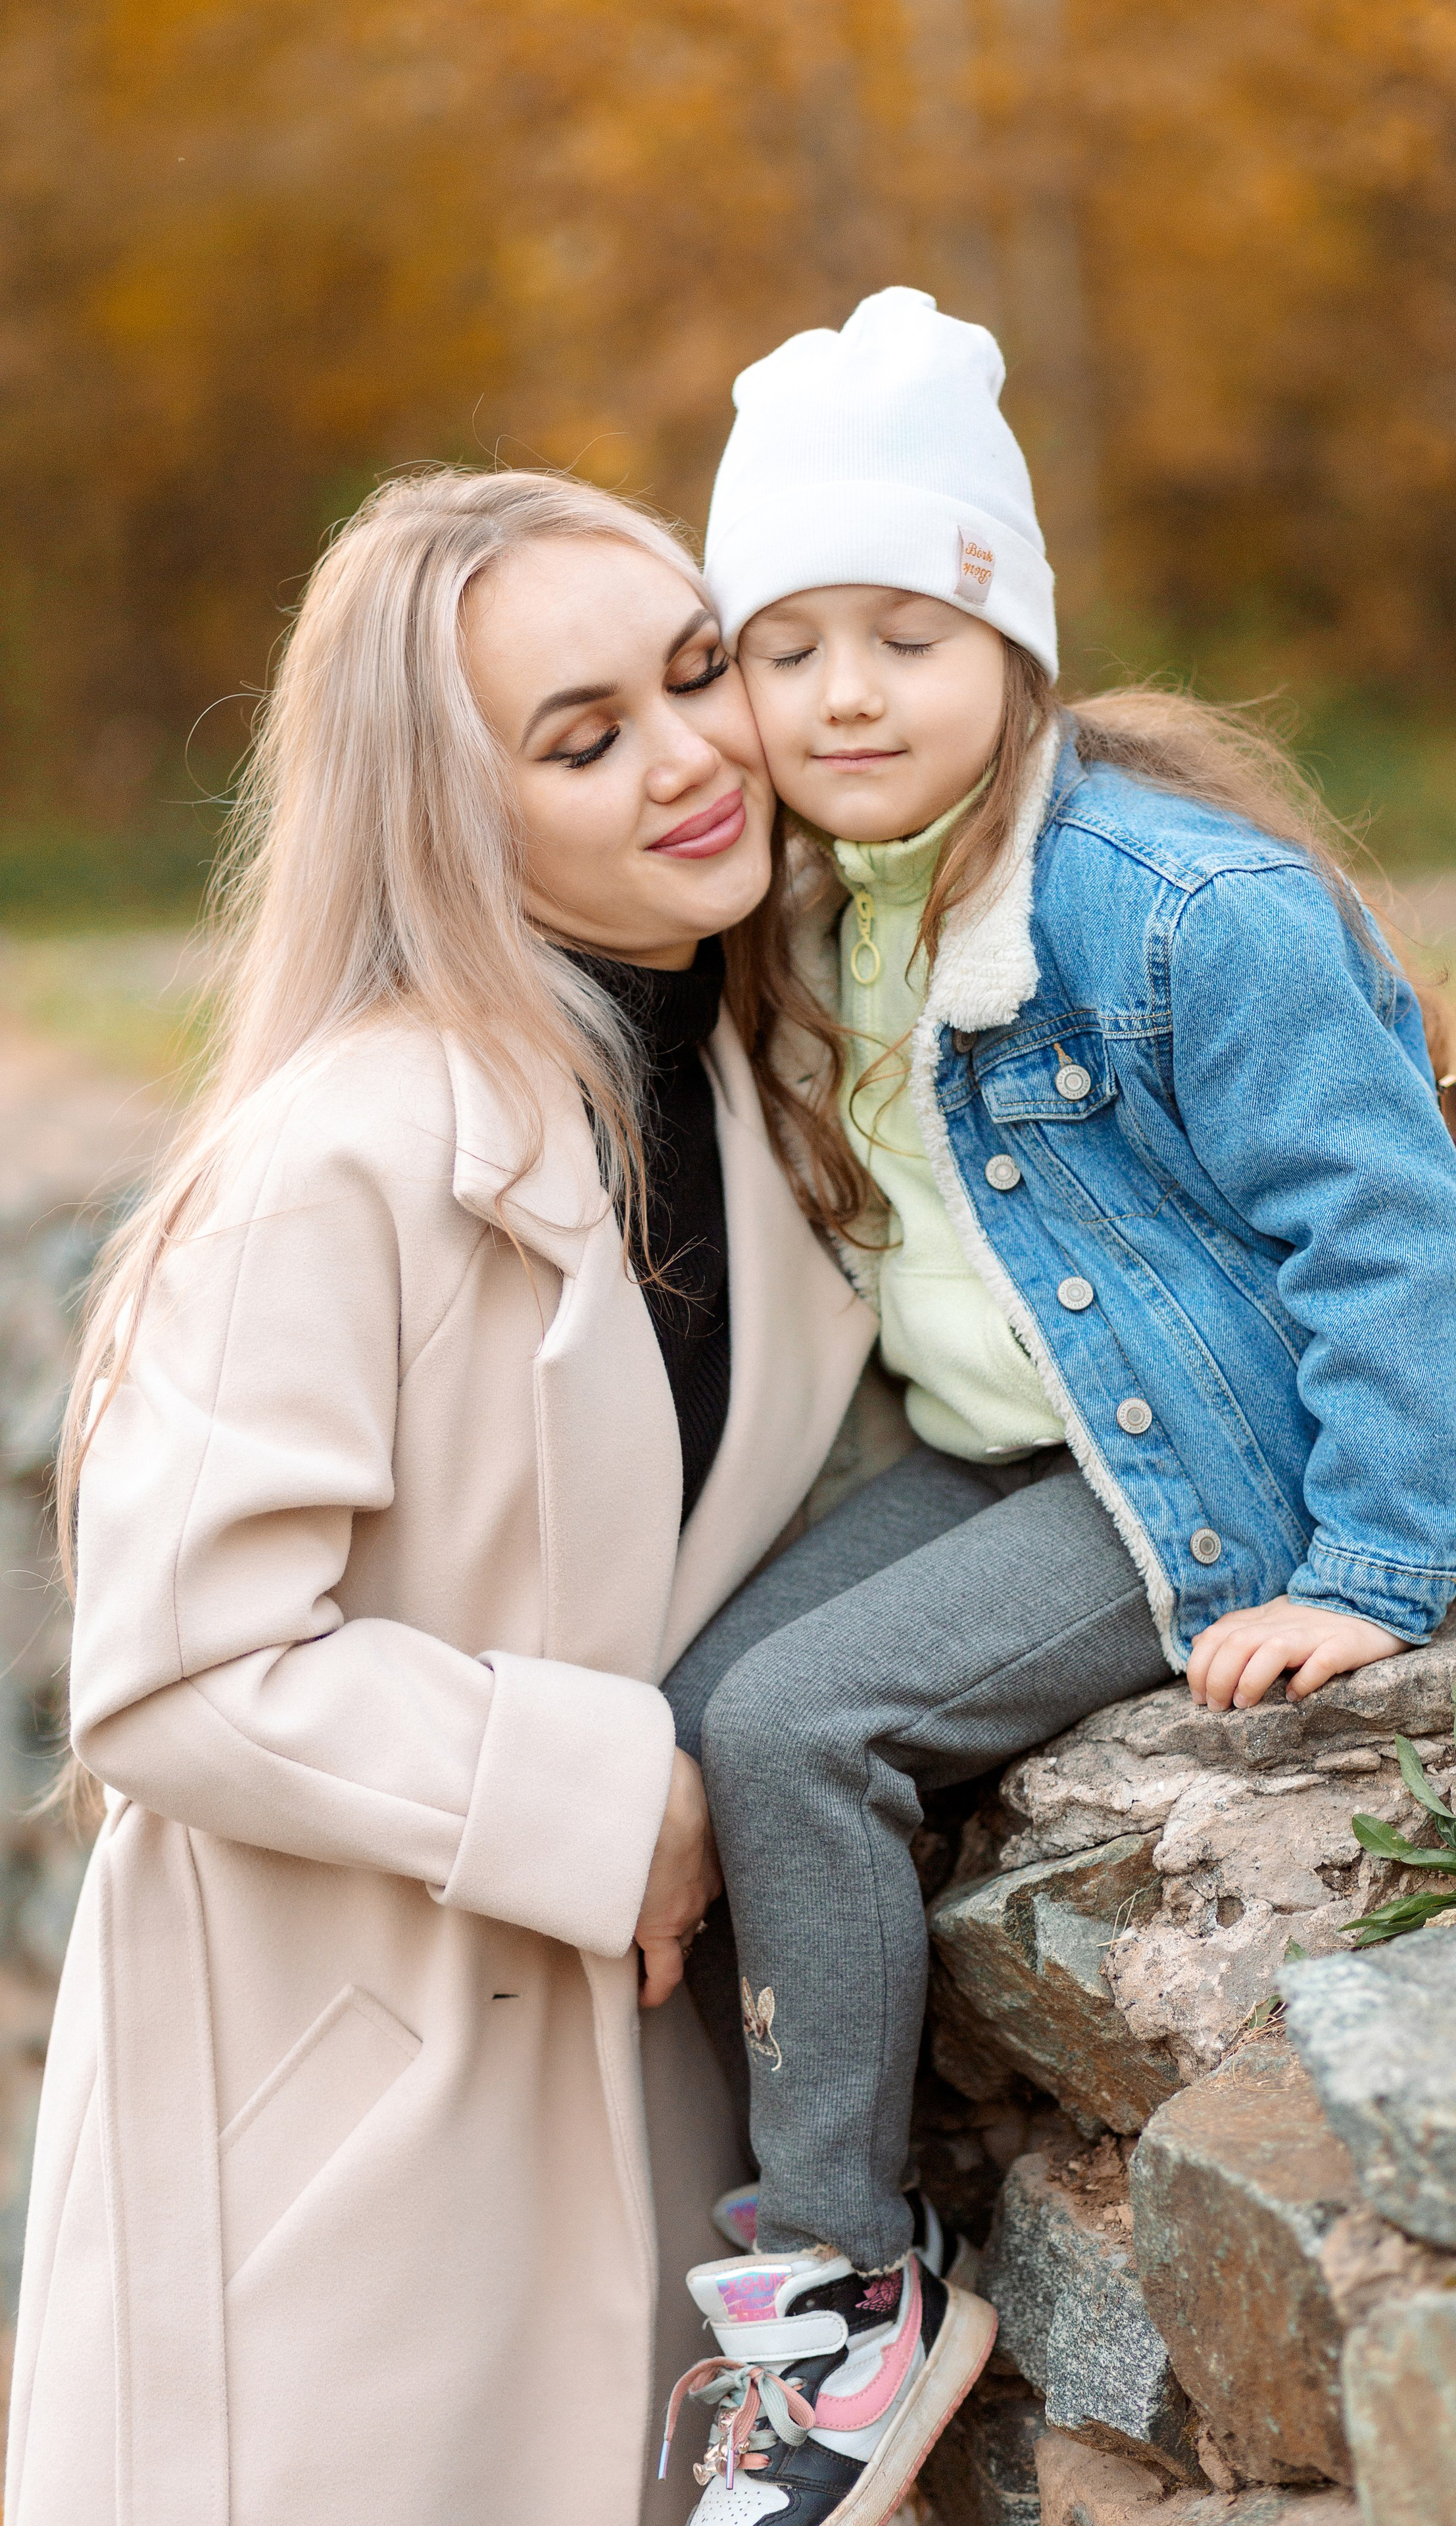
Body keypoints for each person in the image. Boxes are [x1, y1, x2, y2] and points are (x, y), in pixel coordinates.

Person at [654, 287, 1456, 2524]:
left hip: (1228, 1458)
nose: (846, 693)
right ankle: (799, 2183)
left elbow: (1374, 1226)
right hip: (1018, 1441)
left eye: (907, 633)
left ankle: (844, 2294)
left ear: (1013, 643)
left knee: (798, 1731)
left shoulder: (1171, 902)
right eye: (787, 647)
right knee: (696, 1710)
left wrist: (1374, 1565)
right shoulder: (815, 911)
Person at [6, 468, 879, 2526]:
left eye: (699, 673)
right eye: (584, 739)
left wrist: (1402, 1206)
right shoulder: (339, 1155)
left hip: (622, 2091)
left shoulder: (777, 1074)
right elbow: (173, 1672)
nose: (693, 757)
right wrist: (614, 1798)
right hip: (344, 2125)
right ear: (450, 814)